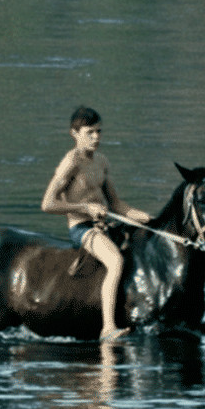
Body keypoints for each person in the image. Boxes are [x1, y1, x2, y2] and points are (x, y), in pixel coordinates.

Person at [40, 106, 151, 341]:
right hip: (82, 229)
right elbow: (47, 204)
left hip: (105, 226)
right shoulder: (70, 163)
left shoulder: (101, 161)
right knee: (115, 260)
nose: (96, 138)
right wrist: (84, 208)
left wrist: (145, 218)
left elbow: (117, 205)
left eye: (99, 132)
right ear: (74, 133)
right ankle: (108, 328)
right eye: (90, 132)